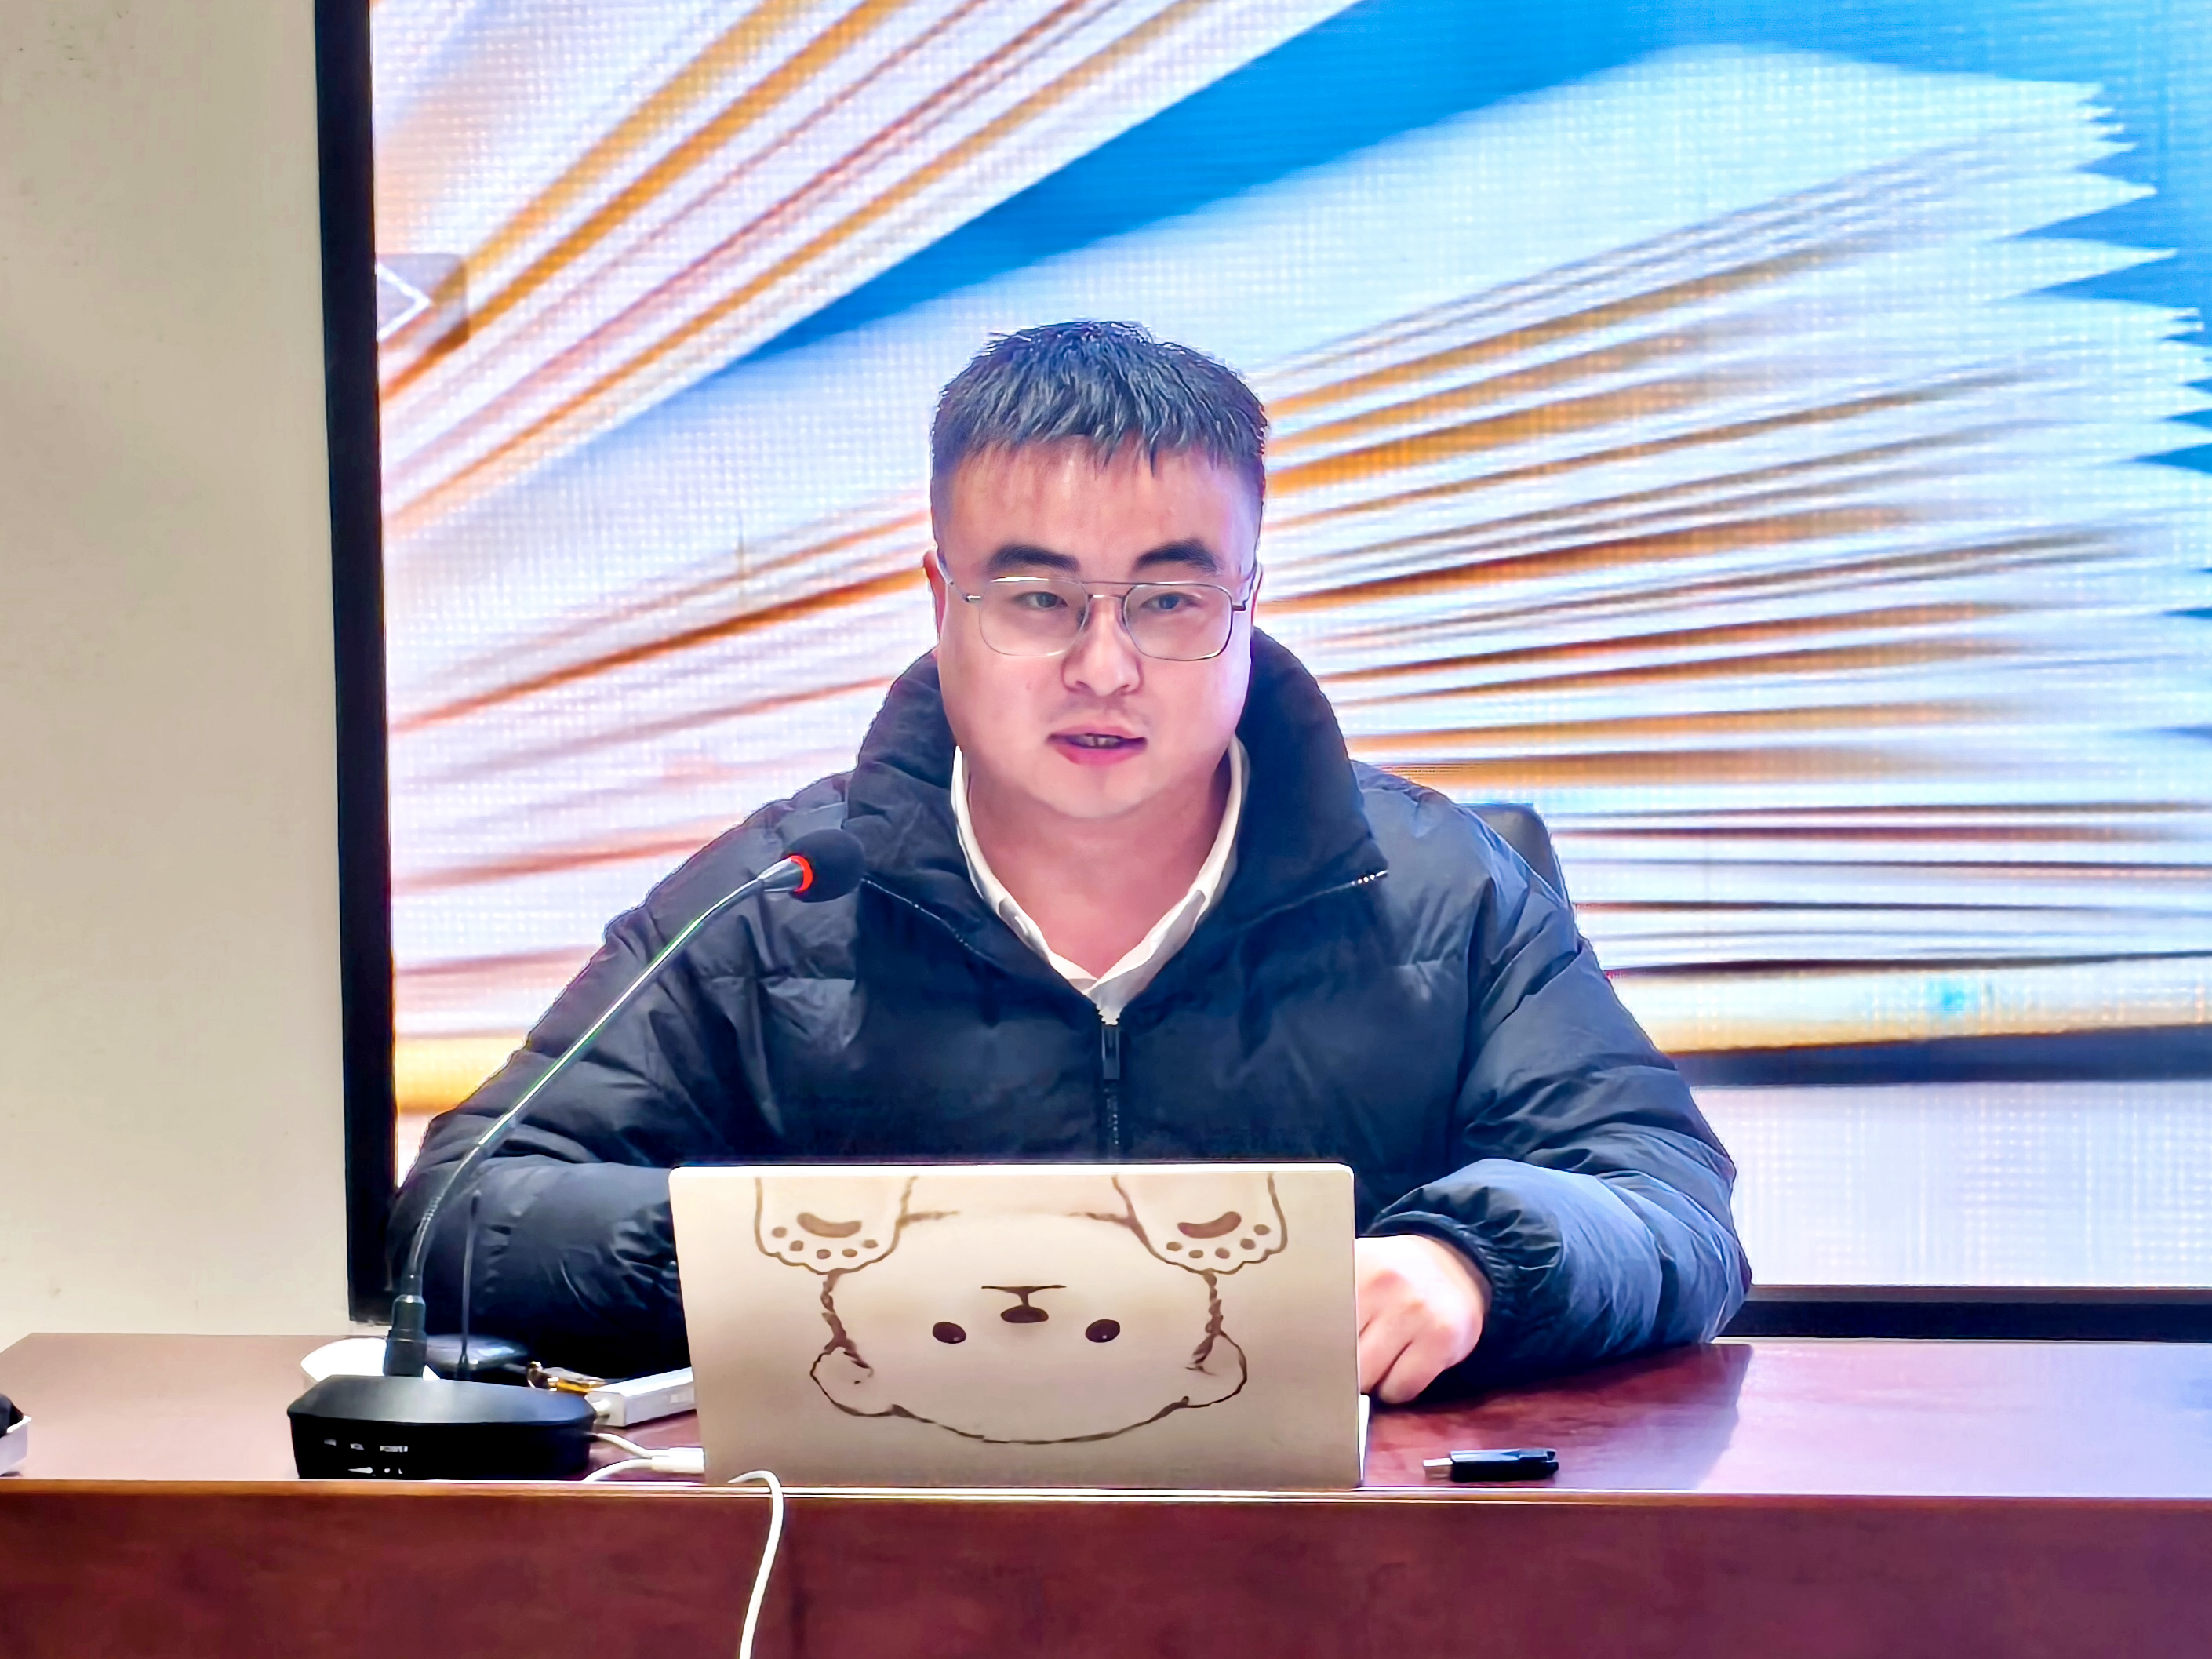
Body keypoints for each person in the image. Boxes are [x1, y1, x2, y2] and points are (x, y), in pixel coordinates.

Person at [395, 321, 1750, 1397]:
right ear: (942, 601)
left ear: (1246, 602)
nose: (1104, 668)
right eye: (1039, 598)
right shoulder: (783, 899)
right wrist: (764, 1266)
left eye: (1169, 600)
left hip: (1346, 1572)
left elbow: (1668, 1198)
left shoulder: (1442, 891)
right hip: (884, 1573)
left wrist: (1472, 1267)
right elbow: (462, 1212)